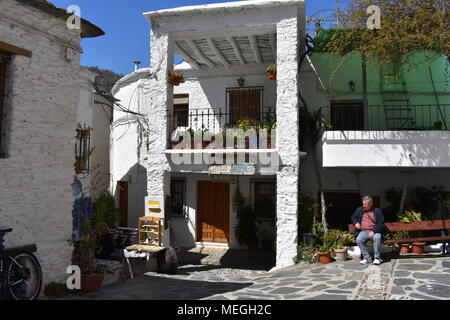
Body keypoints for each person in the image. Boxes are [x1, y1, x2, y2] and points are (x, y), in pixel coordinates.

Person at [351, 196, 385, 265]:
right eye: (363, 204)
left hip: (375, 231)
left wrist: (373, 231)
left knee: (377, 237)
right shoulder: (360, 209)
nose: (364, 206)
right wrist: (356, 223)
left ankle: (377, 258)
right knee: (359, 239)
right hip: (363, 231)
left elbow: (381, 223)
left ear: (371, 204)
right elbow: (353, 217)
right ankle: (367, 258)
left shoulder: (377, 211)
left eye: (365, 204)